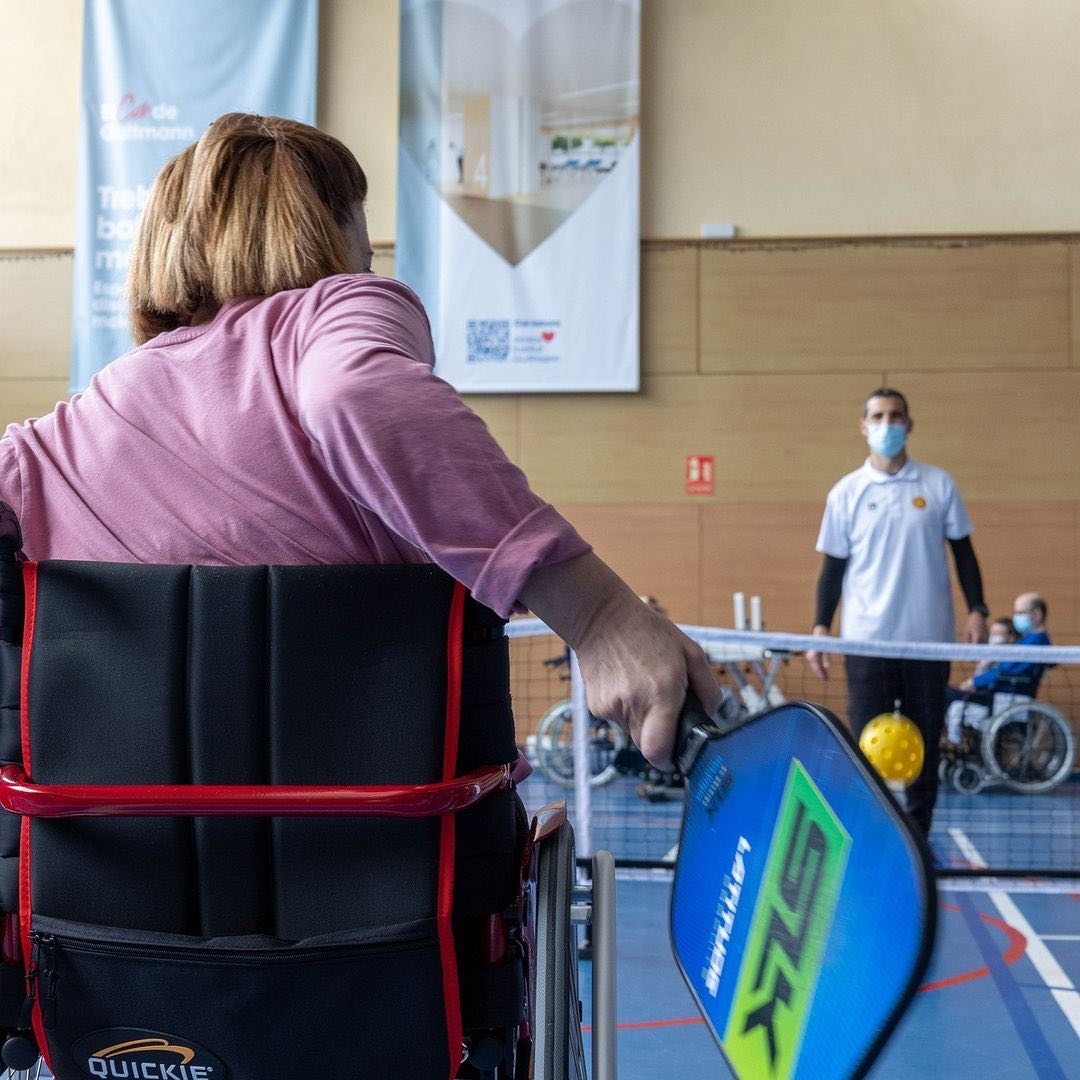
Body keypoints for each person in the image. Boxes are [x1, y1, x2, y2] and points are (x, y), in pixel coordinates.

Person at [0, 113, 720, 770]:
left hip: (117, 875)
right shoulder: (335, 310)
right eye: (365, 243)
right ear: (331, 234)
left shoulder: (56, 445)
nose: (368, 263)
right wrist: (600, 616)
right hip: (388, 866)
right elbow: (354, 391)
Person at [806, 387, 988, 833]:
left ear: (909, 424)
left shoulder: (938, 484)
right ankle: (871, 833)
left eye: (896, 416)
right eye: (878, 416)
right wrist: (819, 627)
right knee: (865, 746)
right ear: (864, 426)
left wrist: (978, 608)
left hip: (928, 640)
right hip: (866, 639)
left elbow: (964, 553)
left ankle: (918, 835)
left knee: (925, 741)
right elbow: (833, 568)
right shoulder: (846, 492)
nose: (887, 424)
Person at [958, 592, 1050, 700]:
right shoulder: (1028, 640)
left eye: (1020, 613)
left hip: (1002, 696)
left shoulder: (1035, 642)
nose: (1016, 617)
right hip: (997, 692)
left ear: (1037, 615)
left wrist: (975, 682)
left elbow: (1005, 670)